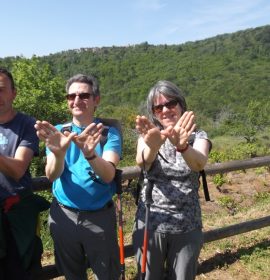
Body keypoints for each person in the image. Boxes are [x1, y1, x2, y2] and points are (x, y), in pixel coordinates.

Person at [34, 73, 122, 280]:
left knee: (107, 274)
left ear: (96, 100)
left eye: (84, 95)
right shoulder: (58, 132)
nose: (76, 101)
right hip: (63, 216)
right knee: (72, 274)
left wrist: (90, 154)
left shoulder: (108, 133)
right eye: (71, 96)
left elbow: (108, 174)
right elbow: (52, 174)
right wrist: (58, 153)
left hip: (99, 217)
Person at [132, 80, 212, 280]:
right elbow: (143, 162)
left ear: (181, 104)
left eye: (171, 103)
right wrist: (153, 145)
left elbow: (199, 163)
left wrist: (183, 146)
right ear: (153, 112)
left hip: (187, 224)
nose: (165, 110)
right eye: (158, 107)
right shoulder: (150, 135)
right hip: (150, 223)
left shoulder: (197, 136)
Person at [0, 68, 50, 280]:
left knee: (20, 271)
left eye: (2, 89)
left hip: (16, 214)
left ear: (14, 93)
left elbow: (18, 169)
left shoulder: (27, 124)